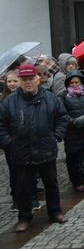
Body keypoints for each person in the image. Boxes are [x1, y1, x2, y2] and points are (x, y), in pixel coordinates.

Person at [0, 64, 69, 232]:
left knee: (51, 183)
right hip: (21, 151)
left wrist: (55, 137)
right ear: (20, 81)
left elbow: (62, 119)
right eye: (24, 79)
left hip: (45, 149)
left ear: (38, 79)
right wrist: (9, 143)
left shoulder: (51, 98)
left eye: (31, 78)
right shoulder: (10, 102)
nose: (28, 82)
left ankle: (55, 212)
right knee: (22, 187)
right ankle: (24, 217)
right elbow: (1, 126)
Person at [1, 69, 39, 213]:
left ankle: (33, 197)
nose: (12, 84)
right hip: (11, 143)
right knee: (15, 172)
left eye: (15, 81)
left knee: (31, 170)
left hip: (28, 140)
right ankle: (16, 198)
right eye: (9, 81)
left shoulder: (27, 97)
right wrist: (7, 142)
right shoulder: (4, 99)